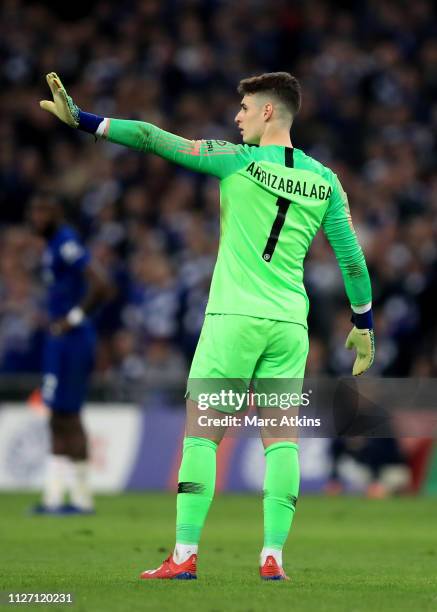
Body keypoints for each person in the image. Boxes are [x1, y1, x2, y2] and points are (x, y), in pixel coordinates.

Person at [39, 71, 375, 577]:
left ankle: (184, 555)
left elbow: (154, 139)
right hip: (288, 326)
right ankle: (272, 557)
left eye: (244, 107)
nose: (236, 117)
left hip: (233, 319)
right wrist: (364, 323)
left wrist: (87, 121)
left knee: (202, 439)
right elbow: (351, 259)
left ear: (268, 111)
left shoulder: (236, 161)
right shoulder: (326, 180)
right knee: (281, 440)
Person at [29, 191, 112, 514]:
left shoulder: (66, 242)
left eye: (42, 212)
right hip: (58, 339)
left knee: (70, 414)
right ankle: (53, 497)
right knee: (56, 414)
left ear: (56, 213)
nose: (36, 219)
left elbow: (102, 284)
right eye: (33, 212)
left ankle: (80, 499)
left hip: (73, 340)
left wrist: (72, 319)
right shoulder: (51, 245)